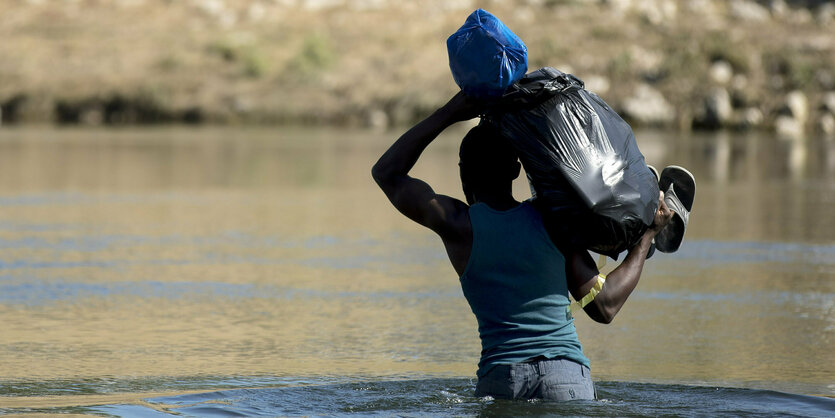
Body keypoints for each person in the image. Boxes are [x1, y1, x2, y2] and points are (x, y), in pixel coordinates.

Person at [371, 91, 673, 401]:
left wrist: (449, 112)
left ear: (464, 172)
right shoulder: (551, 219)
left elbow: (386, 173)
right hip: (565, 378)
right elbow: (604, 305)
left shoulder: (459, 226)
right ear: (516, 170)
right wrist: (647, 237)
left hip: (501, 380)